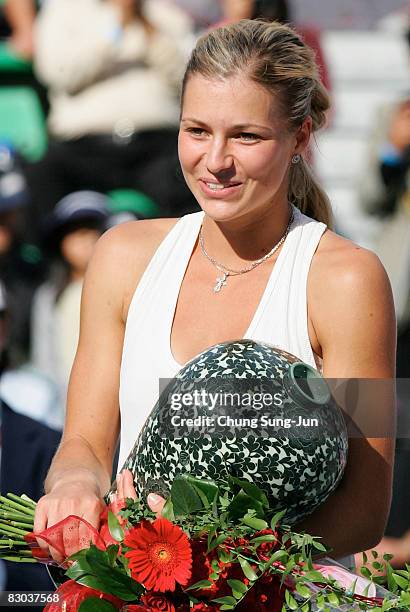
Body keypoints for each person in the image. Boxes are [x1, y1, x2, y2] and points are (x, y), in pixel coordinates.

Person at [34, 20, 396, 565]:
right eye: (197, 130)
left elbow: (365, 509)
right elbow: (83, 445)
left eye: (246, 136)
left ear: (299, 137)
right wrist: (74, 488)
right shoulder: (122, 257)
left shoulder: (350, 279)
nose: (216, 160)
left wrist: (203, 566)